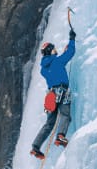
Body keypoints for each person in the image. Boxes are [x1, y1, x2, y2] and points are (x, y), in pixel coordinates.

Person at [30, 26, 76, 157]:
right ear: (50, 51)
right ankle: (60, 136)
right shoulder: (57, 61)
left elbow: (55, 65)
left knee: (49, 123)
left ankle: (35, 146)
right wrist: (72, 39)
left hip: (50, 96)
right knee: (65, 115)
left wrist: (59, 55)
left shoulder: (43, 69)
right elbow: (70, 54)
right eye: (54, 49)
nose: (56, 50)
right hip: (61, 91)